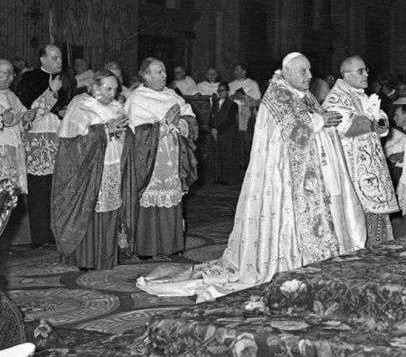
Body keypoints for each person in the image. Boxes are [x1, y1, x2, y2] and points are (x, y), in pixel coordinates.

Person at [136, 53, 366, 302]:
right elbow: (293, 129)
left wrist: (323, 123)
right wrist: (321, 120)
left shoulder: (305, 94)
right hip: (282, 176)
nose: (309, 76)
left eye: (309, 70)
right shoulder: (278, 95)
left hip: (304, 174)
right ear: (287, 72)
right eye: (304, 71)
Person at [51, 70, 130, 270]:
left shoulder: (117, 107)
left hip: (113, 164)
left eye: (115, 88)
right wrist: (104, 131)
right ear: (94, 87)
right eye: (107, 88)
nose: (112, 93)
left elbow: (125, 136)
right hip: (89, 170)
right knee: (92, 209)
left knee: (111, 207)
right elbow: (71, 144)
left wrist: (123, 133)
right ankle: (87, 258)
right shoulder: (81, 106)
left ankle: (108, 256)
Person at [125, 58, 198, 258]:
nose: (165, 75)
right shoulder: (137, 98)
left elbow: (189, 116)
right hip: (150, 159)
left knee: (172, 198)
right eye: (159, 72)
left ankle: (171, 246)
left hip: (173, 156)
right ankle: (146, 248)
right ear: (146, 76)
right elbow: (136, 133)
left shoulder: (171, 95)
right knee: (149, 199)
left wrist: (182, 124)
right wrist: (164, 125)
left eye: (164, 71)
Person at [323, 55, 399, 246]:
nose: (366, 74)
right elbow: (349, 127)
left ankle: (379, 256)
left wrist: (377, 122)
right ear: (346, 75)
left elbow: (379, 121)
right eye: (361, 71)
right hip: (352, 170)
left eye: (365, 70)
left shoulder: (360, 93)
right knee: (358, 219)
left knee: (376, 216)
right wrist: (373, 121)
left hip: (370, 164)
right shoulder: (336, 97)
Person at [16, 44, 70, 246]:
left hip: (57, 137)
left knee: (56, 186)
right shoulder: (30, 78)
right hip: (37, 140)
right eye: (54, 57)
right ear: (42, 59)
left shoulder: (64, 80)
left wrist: (63, 111)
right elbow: (28, 112)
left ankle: (56, 234)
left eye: (60, 58)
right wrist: (51, 91)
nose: (59, 61)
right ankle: (40, 238)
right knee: (39, 188)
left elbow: (62, 107)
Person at [0, 60, 28, 194]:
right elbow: (7, 120)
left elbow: (21, 116)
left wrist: (26, 118)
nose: (12, 78)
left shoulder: (10, 94)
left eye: (13, 74)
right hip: (2, 148)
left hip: (14, 147)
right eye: (8, 74)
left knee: (10, 195)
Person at [210, 83, 240, 185]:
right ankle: (217, 177)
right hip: (215, 133)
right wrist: (212, 128)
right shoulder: (215, 103)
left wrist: (218, 129)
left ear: (227, 92)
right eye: (218, 91)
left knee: (227, 155)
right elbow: (211, 117)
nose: (220, 93)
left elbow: (230, 120)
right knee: (216, 154)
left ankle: (227, 178)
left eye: (222, 91)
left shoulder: (233, 104)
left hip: (227, 133)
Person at [384, 104, 406, 187]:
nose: (394, 118)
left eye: (396, 115)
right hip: (395, 171)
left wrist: (405, 154)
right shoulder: (392, 131)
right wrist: (391, 157)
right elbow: (386, 151)